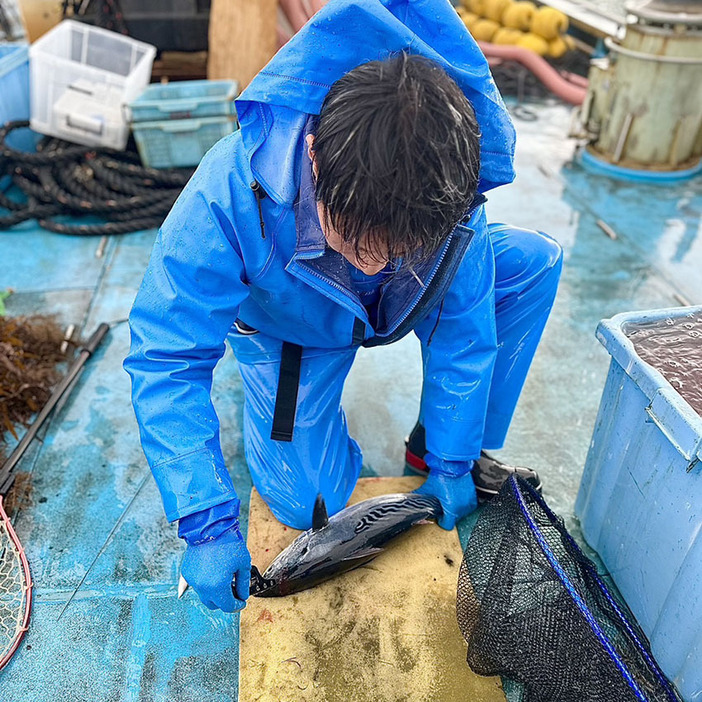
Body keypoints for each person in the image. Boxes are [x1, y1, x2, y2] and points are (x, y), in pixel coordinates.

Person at [124, 0, 563, 614]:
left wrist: (453, 459)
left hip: (409, 304)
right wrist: (204, 521)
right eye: (355, 240)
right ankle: (270, 395)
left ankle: (435, 447)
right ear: (311, 157)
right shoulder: (228, 189)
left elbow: (466, 335)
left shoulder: (454, 193)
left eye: (399, 248)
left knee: (533, 265)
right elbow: (166, 356)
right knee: (309, 504)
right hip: (292, 328)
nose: (372, 267)